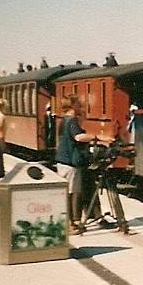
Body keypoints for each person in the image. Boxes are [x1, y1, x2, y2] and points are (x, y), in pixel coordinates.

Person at [55, 94, 95, 232]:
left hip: (64, 160)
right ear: (72, 106)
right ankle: (70, 225)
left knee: (69, 192)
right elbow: (78, 137)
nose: (81, 106)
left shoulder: (64, 120)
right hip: (70, 162)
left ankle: (70, 223)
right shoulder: (71, 121)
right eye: (78, 104)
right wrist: (97, 137)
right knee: (72, 193)